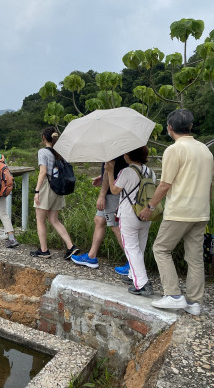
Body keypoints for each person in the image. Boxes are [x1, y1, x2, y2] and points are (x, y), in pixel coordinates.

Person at [140, 110, 214, 315]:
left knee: (161, 249)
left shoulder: (174, 150)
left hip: (179, 211)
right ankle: (194, 303)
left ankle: (173, 295)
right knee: (195, 258)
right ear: (191, 127)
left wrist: (150, 207)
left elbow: (164, 185)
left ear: (169, 127)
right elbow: (209, 185)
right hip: (201, 212)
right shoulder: (206, 151)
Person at [105, 146, 155, 296]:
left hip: (129, 214)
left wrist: (109, 171)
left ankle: (142, 283)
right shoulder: (150, 172)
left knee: (131, 248)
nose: (124, 155)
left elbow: (114, 190)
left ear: (130, 155)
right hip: (146, 214)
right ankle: (133, 276)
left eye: (126, 153)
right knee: (140, 247)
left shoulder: (127, 171)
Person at [71, 156, 127, 269]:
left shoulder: (112, 147)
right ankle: (91, 256)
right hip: (113, 189)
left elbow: (109, 169)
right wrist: (102, 176)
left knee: (116, 226)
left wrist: (101, 195)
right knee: (99, 220)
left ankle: (133, 263)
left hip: (113, 193)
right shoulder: (117, 145)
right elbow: (114, 169)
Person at [30, 127, 77, 259]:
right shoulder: (60, 152)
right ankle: (70, 246)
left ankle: (44, 250)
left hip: (47, 186)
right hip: (59, 188)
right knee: (54, 219)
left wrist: (37, 190)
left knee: (40, 220)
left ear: (44, 138)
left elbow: (43, 172)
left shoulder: (43, 152)